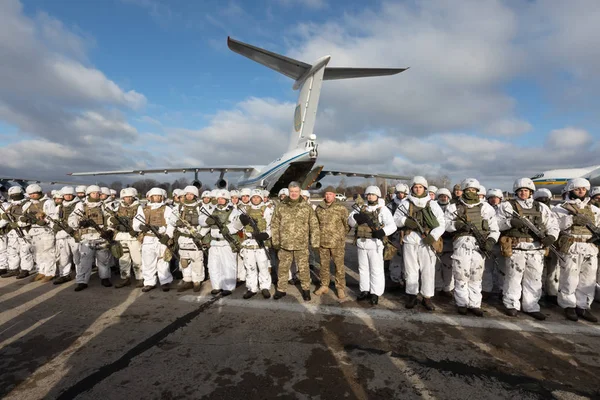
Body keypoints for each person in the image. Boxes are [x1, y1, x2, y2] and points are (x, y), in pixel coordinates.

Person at [496, 178, 559, 320]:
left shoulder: (541, 207)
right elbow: (496, 224)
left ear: (531, 192)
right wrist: (510, 222)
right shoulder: (507, 206)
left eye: (526, 190)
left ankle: (531, 306)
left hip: (536, 248)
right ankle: (511, 304)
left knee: (534, 279)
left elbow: (552, 225)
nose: (523, 193)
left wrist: (551, 237)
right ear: (516, 192)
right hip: (516, 248)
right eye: (520, 190)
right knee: (513, 278)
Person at [445, 179, 499, 316]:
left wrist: (491, 241)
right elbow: (445, 224)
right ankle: (462, 303)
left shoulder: (486, 208)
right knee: (461, 274)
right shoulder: (454, 207)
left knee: (476, 276)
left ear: (477, 191)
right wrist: (458, 226)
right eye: (468, 190)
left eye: (473, 190)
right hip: (461, 243)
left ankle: (475, 304)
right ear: (463, 191)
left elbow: (495, 229)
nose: (471, 192)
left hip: (479, 245)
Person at [552, 178, 599, 322]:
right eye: (577, 189)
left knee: (588, 279)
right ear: (570, 190)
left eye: (583, 189)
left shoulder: (594, 209)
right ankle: (569, 305)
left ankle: (583, 306)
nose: (581, 191)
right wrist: (572, 220)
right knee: (569, 278)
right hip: (571, 246)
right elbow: (555, 226)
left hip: (589, 247)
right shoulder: (561, 208)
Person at [394, 177, 445, 311]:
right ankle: (412, 295)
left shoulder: (432, 204)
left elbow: (442, 224)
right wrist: (405, 221)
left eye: (420, 187)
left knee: (428, 271)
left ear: (425, 188)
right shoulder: (405, 203)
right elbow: (396, 220)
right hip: (410, 240)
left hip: (427, 242)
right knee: (410, 271)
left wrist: (432, 236)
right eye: (415, 187)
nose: (418, 189)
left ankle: (427, 297)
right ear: (412, 188)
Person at [271, 181, 320, 301]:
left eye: (296, 192)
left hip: (301, 244)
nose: (293, 194)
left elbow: (314, 225)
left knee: (303, 269)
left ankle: (306, 290)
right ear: (288, 192)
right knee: (283, 268)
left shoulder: (306, 207)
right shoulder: (281, 207)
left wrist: (315, 242)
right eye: (292, 191)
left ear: (299, 192)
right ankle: (281, 290)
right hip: (285, 244)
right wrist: (276, 241)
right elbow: (274, 225)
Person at [349, 186, 396, 305]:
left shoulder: (382, 209)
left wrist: (382, 232)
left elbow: (392, 226)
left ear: (377, 196)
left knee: (376, 269)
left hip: (375, 244)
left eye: (373, 194)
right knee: (363, 269)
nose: (370, 196)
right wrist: (355, 218)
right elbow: (350, 221)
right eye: (368, 194)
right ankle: (364, 290)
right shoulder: (361, 208)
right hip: (361, 242)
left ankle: (375, 293)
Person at [69, 185, 114, 291]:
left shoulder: (104, 205)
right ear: (88, 194)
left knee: (103, 260)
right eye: (94, 193)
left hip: (101, 236)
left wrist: (109, 230)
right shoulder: (81, 205)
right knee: (85, 260)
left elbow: (111, 218)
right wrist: (79, 223)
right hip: (86, 237)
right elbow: (72, 218)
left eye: (98, 193)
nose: (96, 195)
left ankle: (105, 278)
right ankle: (82, 281)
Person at [133, 187, 175, 292]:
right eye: (154, 196)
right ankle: (149, 282)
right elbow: (135, 224)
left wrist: (168, 235)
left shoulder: (167, 209)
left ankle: (165, 281)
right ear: (150, 197)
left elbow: (171, 224)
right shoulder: (143, 209)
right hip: (148, 238)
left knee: (163, 260)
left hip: (161, 238)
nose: (156, 198)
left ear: (162, 197)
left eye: (158, 196)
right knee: (148, 261)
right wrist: (142, 227)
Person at [204, 189, 243, 296]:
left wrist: (228, 229)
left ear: (227, 200)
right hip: (214, 243)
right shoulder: (212, 209)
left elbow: (239, 224)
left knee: (228, 265)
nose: (220, 201)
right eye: (219, 199)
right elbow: (202, 219)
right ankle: (216, 286)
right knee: (213, 265)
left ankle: (228, 287)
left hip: (226, 242)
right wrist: (207, 221)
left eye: (223, 199)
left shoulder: (233, 211)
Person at [171, 186, 208, 293]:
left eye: (191, 194)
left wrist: (200, 235)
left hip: (195, 239)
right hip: (183, 238)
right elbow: (172, 222)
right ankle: (187, 280)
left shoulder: (201, 207)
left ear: (195, 195)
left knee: (197, 260)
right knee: (184, 261)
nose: (189, 196)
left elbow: (206, 223)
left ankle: (197, 281)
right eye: (187, 194)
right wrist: (169, 234)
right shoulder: (179, 208)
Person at [238, 189, 273, 299]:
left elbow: (272, 226)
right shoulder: (245, 209)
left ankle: (265, 287)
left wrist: (267, 235)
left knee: (263, 266)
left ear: (261, 198)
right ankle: (252, 288)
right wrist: (241, 220)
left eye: (258, 197)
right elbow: (236, 226)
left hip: (261, 242)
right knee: (250, 267)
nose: (255, 199)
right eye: (253, 197)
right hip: (248, 242)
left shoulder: (267, 210)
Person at [314, 189, 349, 300]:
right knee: (323, 266)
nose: (328, 196)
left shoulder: (341, 208)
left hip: (337, 243)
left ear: (334, 195)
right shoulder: (319, 208)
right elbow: (316, 224)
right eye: (326, 194)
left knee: (339, 266)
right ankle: (324, 285)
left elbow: (347, 225)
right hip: (323, 242)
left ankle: (340, 287)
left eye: (330, 194)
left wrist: (340, 236)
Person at [22, 184, 57, 282]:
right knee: (37, 253)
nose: (32, 195)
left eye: (34, 193)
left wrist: (45, 221)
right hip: (34, 231)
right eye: (30, 194)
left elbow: (53, 216)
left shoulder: (48, 202)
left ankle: (50, 272)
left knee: (48, 252)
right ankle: (41, 271)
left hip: (45, 231)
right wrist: (24, 219)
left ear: (39, 192)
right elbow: (23, 216)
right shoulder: (28, 204)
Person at [110, 188, 144, 288]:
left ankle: (140, 278)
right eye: (125, 197)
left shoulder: (139, 207)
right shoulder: (118, 207)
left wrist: (135, 229)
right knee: (123, 259)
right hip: (121, 236)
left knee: (137, 259)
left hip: (133, 237)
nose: (127, 199)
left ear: (133, 197)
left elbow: (141, 220)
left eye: (129, 197)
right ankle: (125, 278)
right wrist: (113, 222)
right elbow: (111, 219)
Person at [0, 186, 34, 279]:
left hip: (24, 231)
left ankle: (25, 269)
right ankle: (13, 269)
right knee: (12, 251)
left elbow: (28, 218)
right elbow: (7, 217)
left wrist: (18, 223)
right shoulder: (11, 205)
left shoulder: (27, 204)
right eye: (12, 195)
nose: (14, 197)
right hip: (13, 231)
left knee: (25, 251)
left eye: (16, 195)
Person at [53, 186, 80, 284]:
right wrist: (55, 226)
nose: (68, 196)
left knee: (78, 255)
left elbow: (78, 217)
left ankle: (80, 275)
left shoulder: (79, 204)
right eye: (66, 195)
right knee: (63, 256)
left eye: (70, 195)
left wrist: (71, 227)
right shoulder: (59, 207)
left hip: (75, 233)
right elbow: (54, 219)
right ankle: (64, 275)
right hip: (62, 234)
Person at [434, 188, 454, 297]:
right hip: (437, 239)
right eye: (441, 196)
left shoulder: (452, 208)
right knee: (436, 265)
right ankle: (437, 286)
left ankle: (448, 288)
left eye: (445, 196)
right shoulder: (433, 207)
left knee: (448, 265)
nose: (443, 198)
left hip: (449, 240)